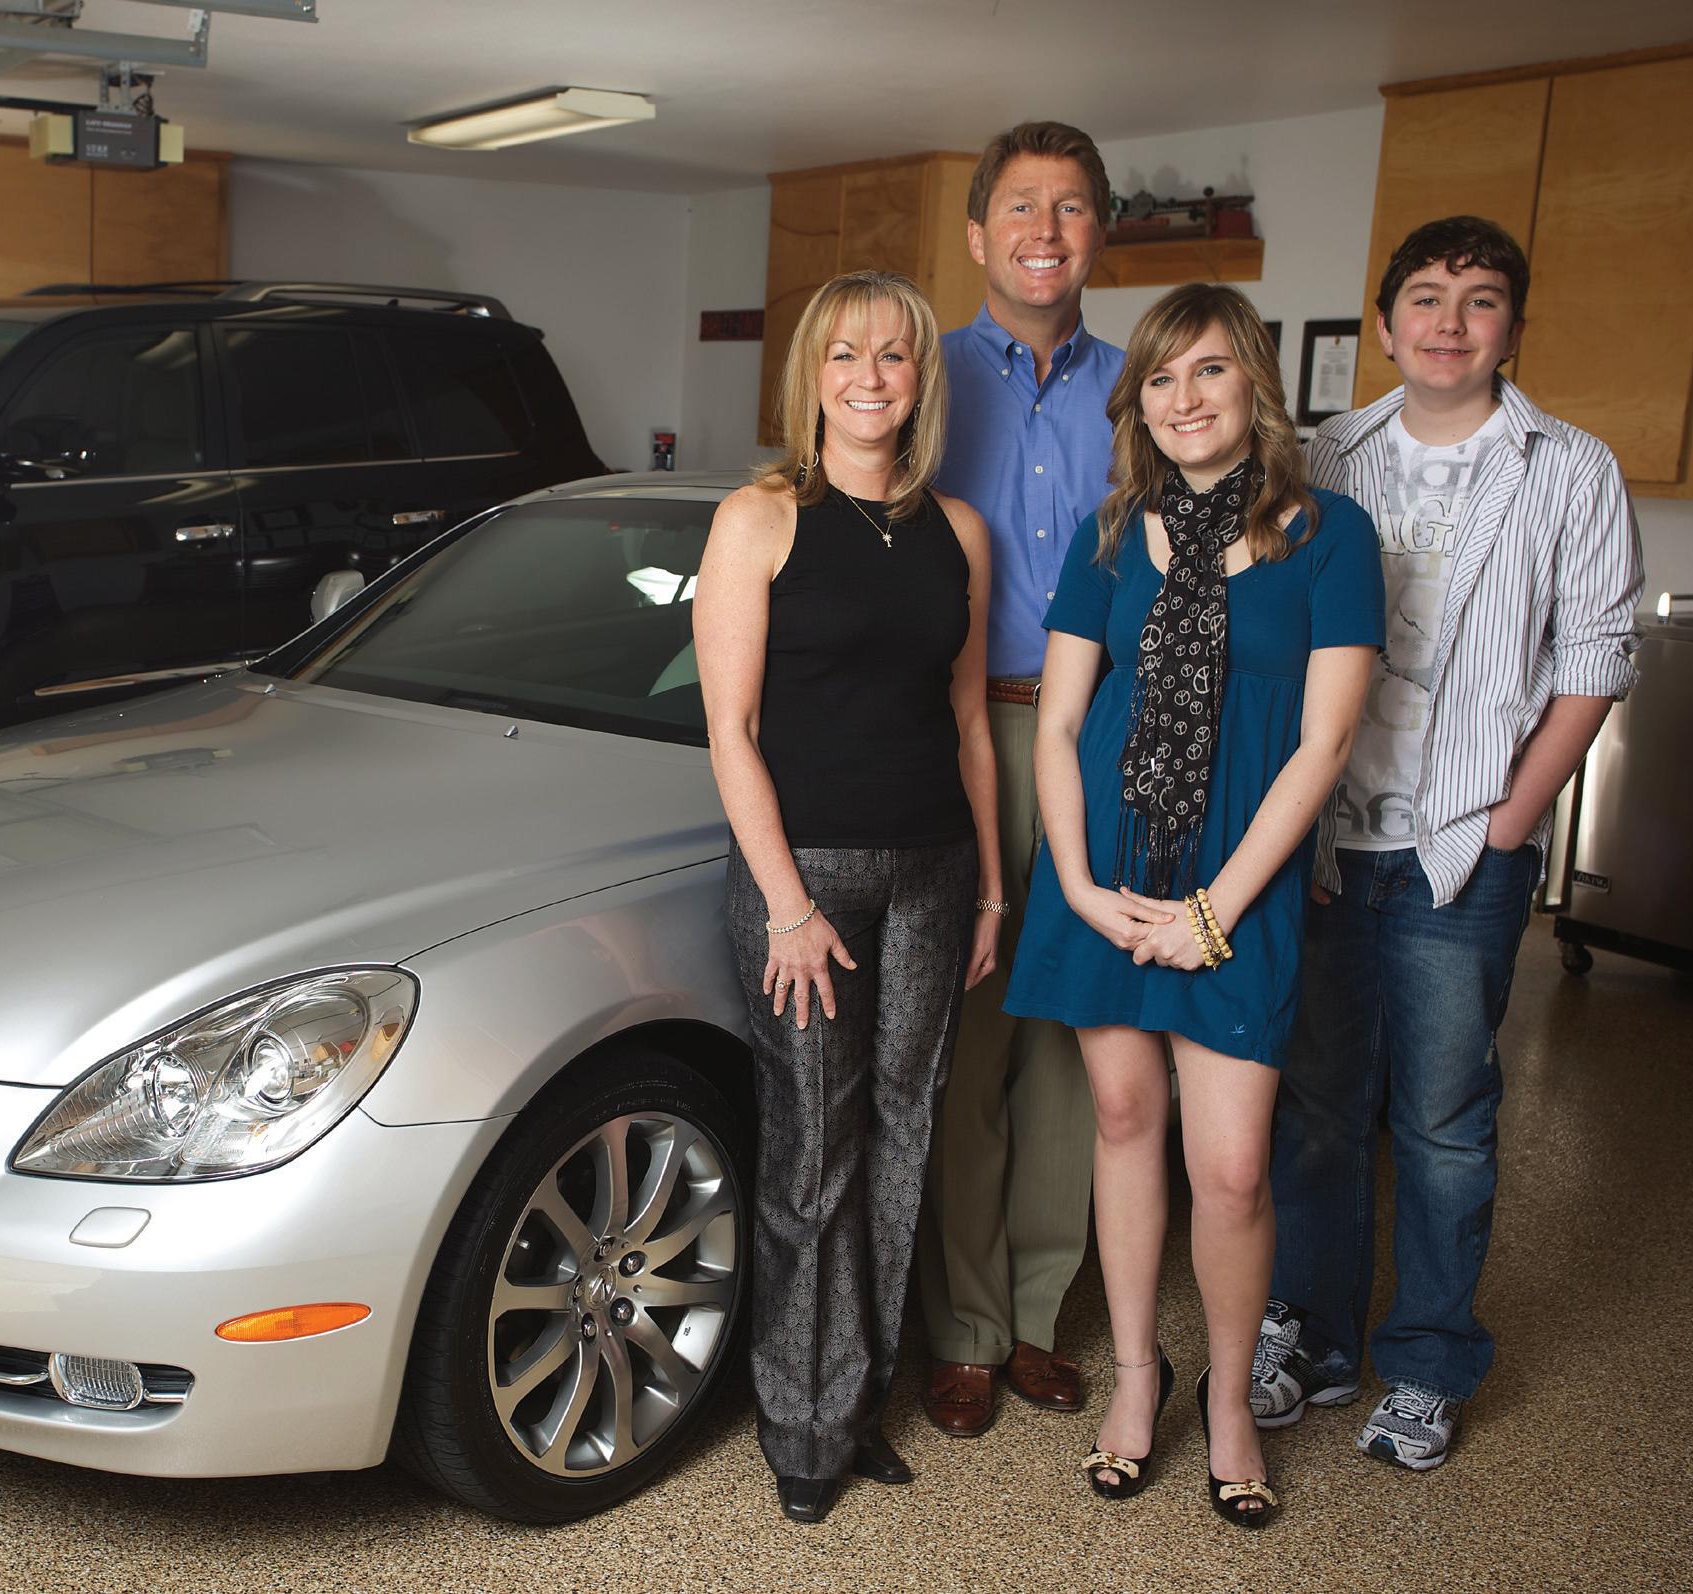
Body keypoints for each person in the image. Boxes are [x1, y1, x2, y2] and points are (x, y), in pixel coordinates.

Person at [1254, 216, 1642, 1472]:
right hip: (1324, 841)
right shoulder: (1328, 454)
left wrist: (1512, 821)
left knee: (1443, 1119)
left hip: (1462, 850)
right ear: (1385, 323)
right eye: (1426, 297)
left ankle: (1425, 1362)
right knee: (1317, 1108)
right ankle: (1315, 1336)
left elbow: (1595, 658)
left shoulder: (1570, 467)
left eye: (1479, 300)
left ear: (1512, 327)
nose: (1449, 322)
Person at [1003, 282, 1384, 1528]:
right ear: (1140, 405)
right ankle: (1135, 1376)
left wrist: (1214, 910)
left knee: (1230, 1169)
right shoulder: (1113, 532)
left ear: (1254, 384)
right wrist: (1073, 883)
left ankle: (1228, 1397)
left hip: (1239, 881)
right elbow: (1059, 721)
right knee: (1122, 1117)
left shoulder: (1330, 533)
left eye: (1208, 370)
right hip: (1109, 867)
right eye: (1160, 379)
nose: (1183, 398)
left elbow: (1325, 743)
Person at [693, 269, 1005, 1524]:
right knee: (812, 1151)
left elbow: (970, 722)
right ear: (810, 377)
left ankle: (858, 1397)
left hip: (935, 871)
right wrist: (786, 905)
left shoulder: (959, 531)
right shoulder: (759, 518)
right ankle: (801, 1426)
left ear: (921, 378)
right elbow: (731, 729)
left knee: (904, 1132)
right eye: (845, 356)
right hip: (807, 880)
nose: (870, 378)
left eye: (893, 355)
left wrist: (990, 890)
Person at [914, 118, 1123, 1441]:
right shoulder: (919, 376)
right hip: (967, 734)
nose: (1046, 232)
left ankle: (1041, 1314)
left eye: (1072, 207)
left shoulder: (1145, 389)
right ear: (979, 233)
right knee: (974, 1037)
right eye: (1023, 207)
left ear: (1098, 233)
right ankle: (966, 1331)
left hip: (1101, 738)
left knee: (1074, 1046)